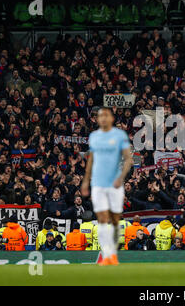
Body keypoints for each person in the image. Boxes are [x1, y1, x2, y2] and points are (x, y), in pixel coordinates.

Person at [81, 107, 133, 266]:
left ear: (111, 118)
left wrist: (121, 178)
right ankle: (106, 255)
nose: (103, 119)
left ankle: (113, 255)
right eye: (100, 116)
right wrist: (85, 181)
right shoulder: (94, 136)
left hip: (114, 183)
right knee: (102, 220)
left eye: (106, 116)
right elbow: (91, 159)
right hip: (98, 183)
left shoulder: (119, 135)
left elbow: (128, 159)